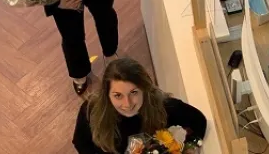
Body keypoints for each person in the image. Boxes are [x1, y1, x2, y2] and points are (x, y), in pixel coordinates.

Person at [73, 57, 207, 154]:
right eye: (118, 95)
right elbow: (81, 143)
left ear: (144, 89)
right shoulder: (91, 110)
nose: (127, 104)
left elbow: (198, 120)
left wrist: (191, 148)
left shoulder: (163, 106)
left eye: (134, 92)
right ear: (107, 94)